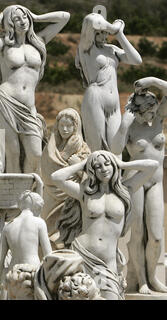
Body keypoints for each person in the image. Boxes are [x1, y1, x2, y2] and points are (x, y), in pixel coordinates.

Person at [0, 5, 70, 173]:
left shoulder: (38, 42)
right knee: (12, 153)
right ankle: (12, 196)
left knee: (35, 154)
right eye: (16, 18)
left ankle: (30, 193)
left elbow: (65, 16)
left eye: (24, 17)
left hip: (28, 107)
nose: (22, 21)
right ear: (10, 23)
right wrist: (2, 16)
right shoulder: (3, 45)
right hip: (5, 101)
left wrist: (36, 16)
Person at [51, 150, 158, 299]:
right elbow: (56, 178)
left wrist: (122, 164)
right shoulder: (85, 192)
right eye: (97, 166)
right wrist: (84, 163)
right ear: (92, 170)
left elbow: (153, 165)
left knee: (111, 296)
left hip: (108, 261)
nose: (104, 169)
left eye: (107, 164)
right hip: (82, 255)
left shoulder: (126, 189)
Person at [111, 78, 167, 294]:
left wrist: (151, 81)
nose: (152, 115)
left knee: (156, 235)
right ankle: (141, 279)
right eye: (148, 112)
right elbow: (116, 148)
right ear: (138, 110)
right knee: (138, 234)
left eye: (154, 111)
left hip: (156, 181)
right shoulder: (131, 127)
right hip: (135, 179)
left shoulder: (159, 120)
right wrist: (124, 126)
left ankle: (153, 277)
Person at [75, 8, 142, 151]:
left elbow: (136, 60)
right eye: (101, 31)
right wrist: (114, 27)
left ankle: (115, 173)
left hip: (114, 100)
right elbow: (90, 20)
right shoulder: (86, 48)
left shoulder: (111, 49)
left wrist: (119, 34)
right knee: (97, 146)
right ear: (93, 32)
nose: (104, 34)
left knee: (115, 147)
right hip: (95, 96)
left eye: (106, 32)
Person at [41, 108, 90, 248]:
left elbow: (89, 177)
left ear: (76, 126)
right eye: (61, 125)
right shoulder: (51, 146)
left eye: (69, 126)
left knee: (69, 234)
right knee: (47, 232)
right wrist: (66, 153)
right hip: (50, 195)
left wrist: (78, 167)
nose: (65, 129)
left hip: (71, 197)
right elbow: (47, 171)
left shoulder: (83, 148)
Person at [0, 184, 52, 299]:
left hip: (12, 275)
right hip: (32, 273)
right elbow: (48, 255)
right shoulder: (39, 223)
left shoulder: (8, 226)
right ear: (36, 206)